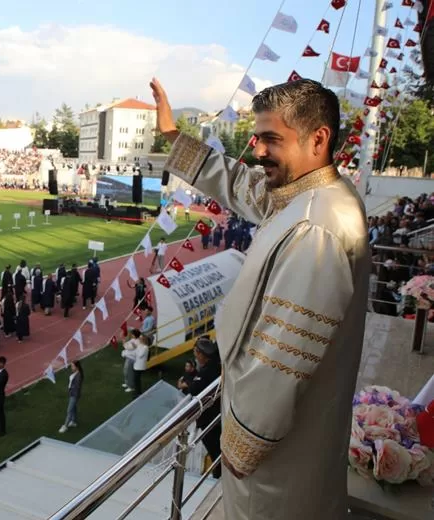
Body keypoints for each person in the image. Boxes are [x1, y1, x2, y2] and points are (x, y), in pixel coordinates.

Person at [151, 77, 369, 519]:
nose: (257, 150)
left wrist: (240, 444)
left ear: (318, 139)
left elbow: (279, 361)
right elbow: (236, 181)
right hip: (289, 450)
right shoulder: (307, 197)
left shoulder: (317, 226)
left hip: (275, 467)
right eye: (257, 137)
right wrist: (174, 135)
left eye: (271, 139)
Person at [178, 337, 222, 479]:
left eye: (196, 353)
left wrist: (187, 384)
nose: (195, 356)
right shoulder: (217, 365)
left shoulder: (206, 372)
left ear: (203, 355)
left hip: (209, 417)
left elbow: (194, 388)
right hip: (218, 414)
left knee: (215, 450)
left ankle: (218, 476)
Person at [59, 360, 83, 433]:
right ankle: (73, 422)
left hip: (74, 395)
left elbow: (77, 387)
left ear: (77, 366)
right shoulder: (76, 373)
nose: (71, 367)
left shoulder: (79, 376)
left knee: (69, 410)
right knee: (73, 408)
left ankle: (65, 426)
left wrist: (71, 391)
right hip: (72, 394)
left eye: (72, 366)